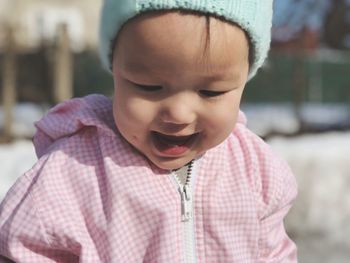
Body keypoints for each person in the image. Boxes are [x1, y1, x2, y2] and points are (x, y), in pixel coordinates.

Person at [0, 0, 298, 262]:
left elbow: (272, 254)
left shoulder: (254, 169)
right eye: (149, 87)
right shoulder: (74, 171)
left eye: (211, 92)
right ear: (115, 69)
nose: (179, 114)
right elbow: (23, 250)